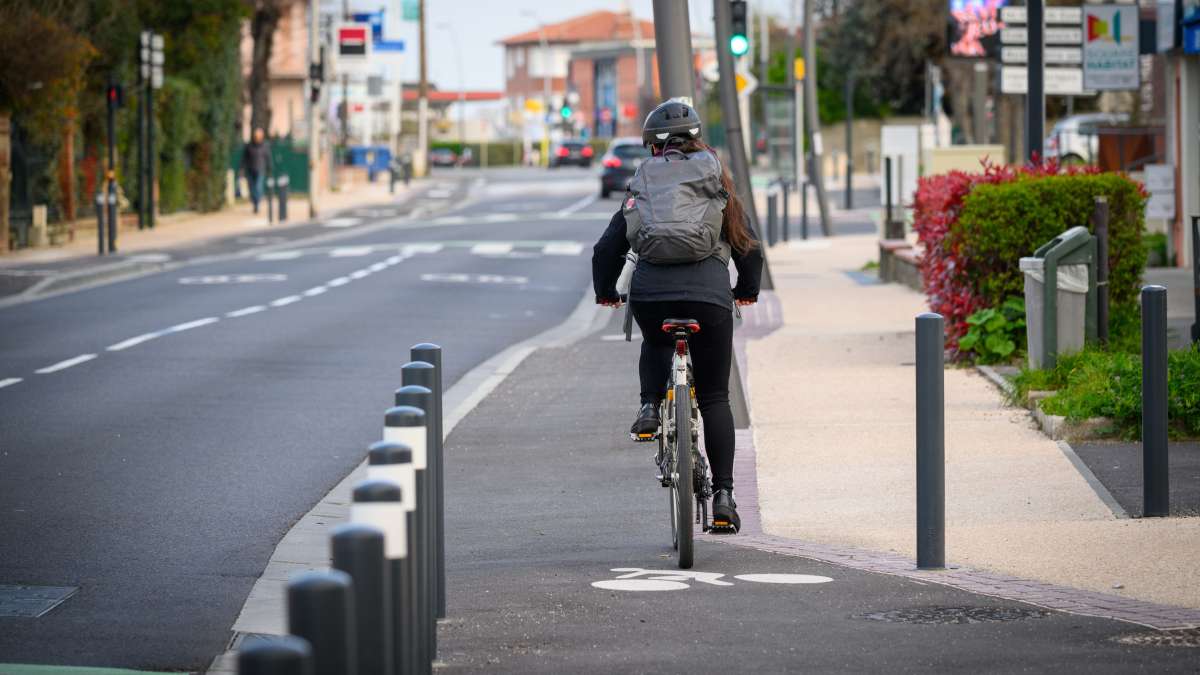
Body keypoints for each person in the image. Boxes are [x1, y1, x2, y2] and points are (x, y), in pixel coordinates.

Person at [591, 99, 763, 533]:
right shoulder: (716, 183)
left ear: (653, 148)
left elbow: (606, 249)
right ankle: (724, 497)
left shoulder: (643, 187)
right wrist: (746, 292)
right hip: (709, 297)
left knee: (656, 338)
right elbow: (750, 248)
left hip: (653, 294)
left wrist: (607, 293)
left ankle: (649, 408)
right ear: (698, 139)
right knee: (715, 399)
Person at [241, 128, 273, 214]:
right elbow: (244, 158)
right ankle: (255, 202)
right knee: (252, 188)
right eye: (256, 136)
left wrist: (269, 168)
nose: (257, 138)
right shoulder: (249, 146)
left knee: (258, 187)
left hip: (260, 169)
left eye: (259, 136)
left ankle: (257, 203)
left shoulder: (265, 146)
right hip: (250, 169)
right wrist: (242, 169)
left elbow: (268, 158)